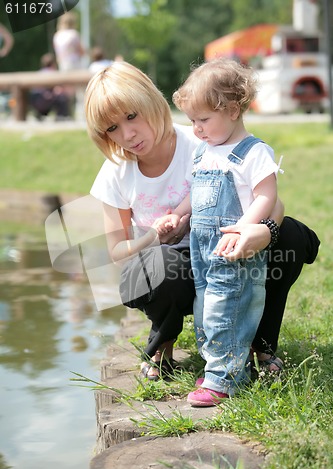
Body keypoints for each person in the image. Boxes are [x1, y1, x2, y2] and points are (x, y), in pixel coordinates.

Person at [84, 61, 320, 388]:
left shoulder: (204, 137)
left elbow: (273, 202)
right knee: (156, 267)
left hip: (226, 253)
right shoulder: (115, 173)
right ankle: (163, 340)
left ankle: (259, 343)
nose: (127, 135)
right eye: (112, 128)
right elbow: (117, 251)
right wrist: (156, 235)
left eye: (131, 116)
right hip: (175, 267)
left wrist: (260, 232)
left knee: (291, 235)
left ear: (151, 102)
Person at [154, 58, 277, 406]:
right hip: (201, 249)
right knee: (206, 308)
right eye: (192, 121)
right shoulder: (205, 153)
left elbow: (267, 194)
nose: (196, 129)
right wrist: (177, 216)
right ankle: (222, 369)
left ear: (234, 109)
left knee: (227, 310)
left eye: (204, 120)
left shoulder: (253, 152)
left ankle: (222, 380)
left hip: (234, 248)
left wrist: (245, 226)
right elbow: (195, 194)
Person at [29, 53, 71, 121]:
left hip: (35, 100)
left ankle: (39, 115)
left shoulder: (39, 73)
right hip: (45, 100)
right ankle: (61, 116)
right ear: (53, 64)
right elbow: (58, 89)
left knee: (50, 96)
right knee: (61, 96)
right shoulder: (53, 73)